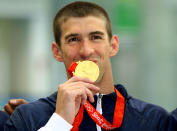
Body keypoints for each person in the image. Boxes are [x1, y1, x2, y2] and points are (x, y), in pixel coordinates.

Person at [4, 1, 177, 131]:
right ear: (57, 52)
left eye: (96, 37)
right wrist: (59, 122)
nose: (86, 51)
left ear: (113, 45)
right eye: (73, 39)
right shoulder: (28, 118)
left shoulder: (154, 120)